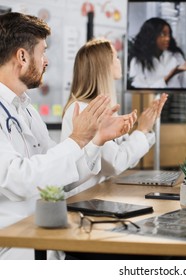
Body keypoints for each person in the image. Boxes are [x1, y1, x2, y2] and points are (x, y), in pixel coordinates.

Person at [0, 12, 134, 259]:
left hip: (44, 235)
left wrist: (95, 141)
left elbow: (58, 178)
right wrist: (78, 140)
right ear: (22, 56)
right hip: (14, 249)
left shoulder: (26, 109)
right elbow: (17, 179)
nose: (46, 61)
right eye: (43, 52)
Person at [62, 38, 168, 196]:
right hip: (84, 200)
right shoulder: (85, 110)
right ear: (104, 66)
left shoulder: (103, 108)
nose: (120, 61)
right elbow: (115, 163)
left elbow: (128, 160)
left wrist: (145, 128)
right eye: (116, 57)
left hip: (100, 194)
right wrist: (141, 130)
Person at [129, 17, 186, 88]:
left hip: (176, 98)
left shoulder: (176, 55)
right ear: (150, 36)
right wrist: (169, 76)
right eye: (163, 34)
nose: (167, 38)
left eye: (168, 35)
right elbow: (140, 91)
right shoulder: (138, 61)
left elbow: (184, 83)